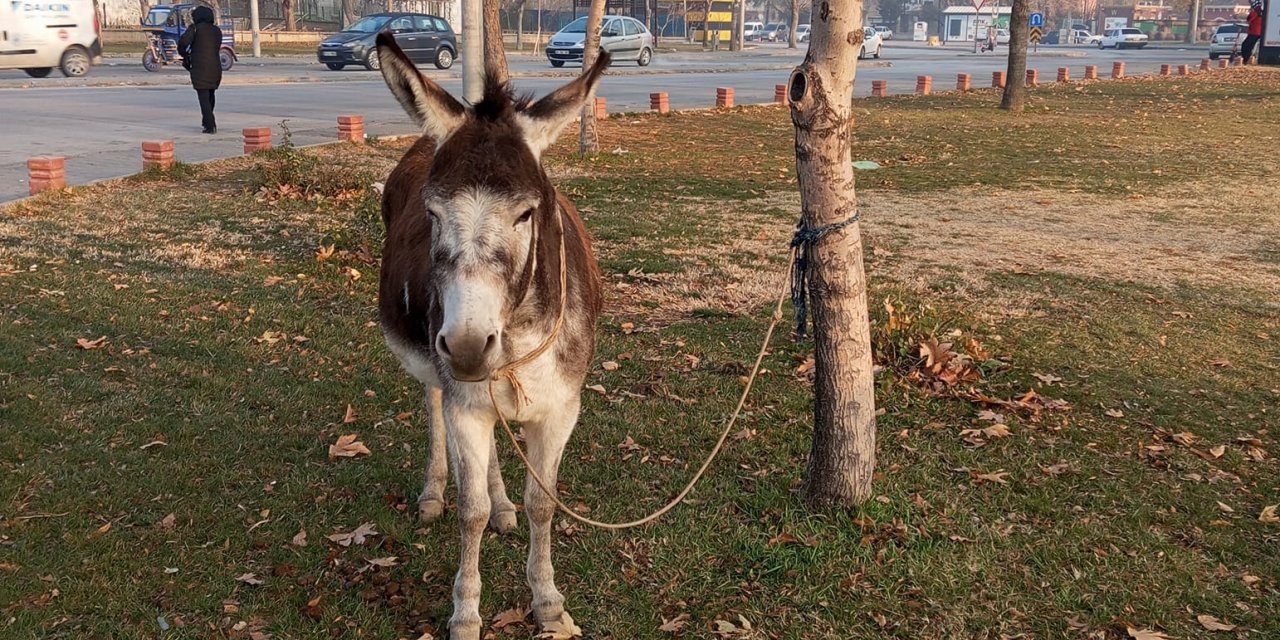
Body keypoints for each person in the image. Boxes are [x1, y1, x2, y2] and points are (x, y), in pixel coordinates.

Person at [179, 5, 223, 133]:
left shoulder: (195, 29)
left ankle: (210, 125)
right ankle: (207, 121)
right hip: (215, 67)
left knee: (203, 96)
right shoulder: (217, 31)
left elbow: (183, 44)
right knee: (210, 94)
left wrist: (185, 55)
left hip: (199, 67)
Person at [1241, 0, 1264, 65]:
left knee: (1246, 45)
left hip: (1255, 33)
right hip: (1253, 32)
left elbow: (1249, 19)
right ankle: (1245, 59)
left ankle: (1245, 59)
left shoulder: (1256, 12)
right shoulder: (1258, 12)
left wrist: (1251, 12)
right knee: (1248, 46)